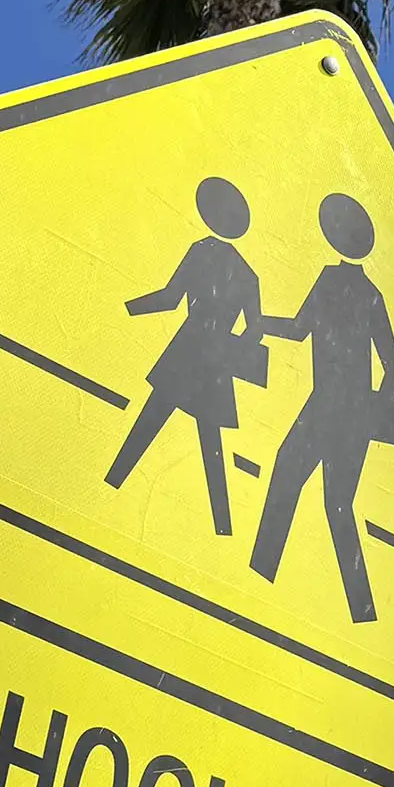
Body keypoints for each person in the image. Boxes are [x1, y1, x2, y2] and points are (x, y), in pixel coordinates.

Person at [249, 193, 394, 624]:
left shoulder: (333, 282)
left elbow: (299, 330)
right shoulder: (371, 293)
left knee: (290, 479)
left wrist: (258, 322)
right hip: (348, 412)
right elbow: (393, 369)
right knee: (334, 504)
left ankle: (260, 573)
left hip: (328, 407)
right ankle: (361, 611)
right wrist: (370, 413)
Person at [106, 176, 270, 536]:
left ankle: (111, 484)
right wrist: (230, 348)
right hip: (215, 362)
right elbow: (255, 330)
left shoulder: (201, 251)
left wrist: (125, 307)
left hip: (187, 351)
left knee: (151, 421)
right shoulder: (248, 274)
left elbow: (169, 298)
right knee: (209, 442)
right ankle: (223, 527)